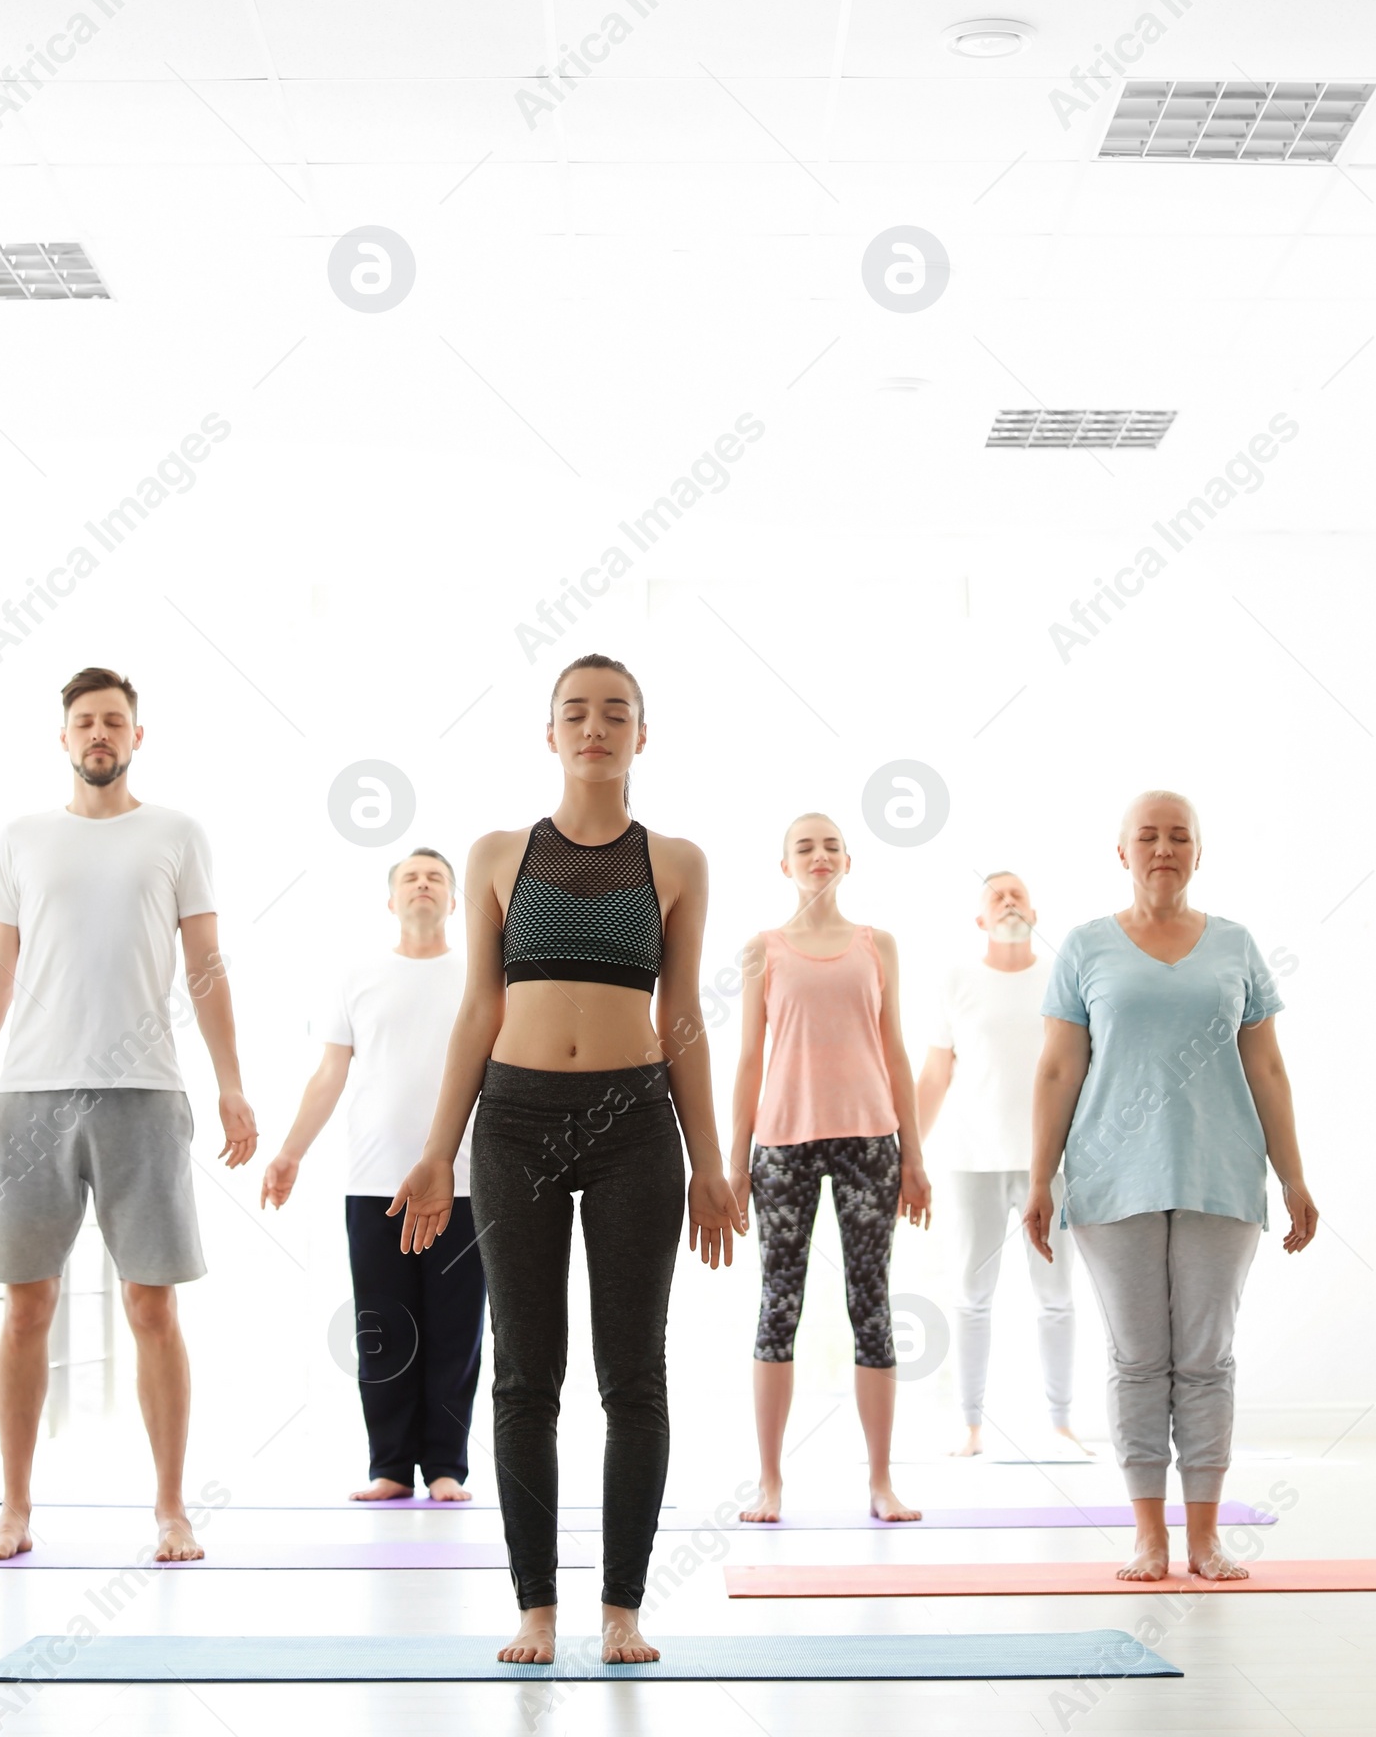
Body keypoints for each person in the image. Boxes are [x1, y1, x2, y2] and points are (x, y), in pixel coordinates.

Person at [390, 653, 742, 1666]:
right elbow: (476, 1010)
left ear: (642, 734)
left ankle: (623, 1607)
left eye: (615, 713)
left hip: (635, 1123)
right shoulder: (499, 854)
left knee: (632, 1375)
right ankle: (536, 1606)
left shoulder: (675, 862)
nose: (595, 727)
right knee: (524, 1375)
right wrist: (434, 1151)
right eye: (576, 713)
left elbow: (681, 1017)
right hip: (515, 1121)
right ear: (549, 735)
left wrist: (711, 1159)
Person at [0, 667, 256, 1563]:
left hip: (146, 1092)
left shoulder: (177, 834)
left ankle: (172, 1509)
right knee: (27, 1308)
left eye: (113, 722)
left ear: (138, 736)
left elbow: (207, 964)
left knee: (152, 1306)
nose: (98, 734)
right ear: (62, 739)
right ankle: (16, 1509)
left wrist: (230, 1080)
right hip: (29, 1094)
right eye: (83, 723)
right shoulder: (21, 839)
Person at [1023, 790, 1317, 1581]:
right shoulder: (1085, 947)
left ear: (1198, 852)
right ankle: (1150, 1536)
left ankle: (1205, 1538)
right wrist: (1039, 1177)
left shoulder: (1236, 946)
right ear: (1122, 853)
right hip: (1110, 1176)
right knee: (1138, 1359)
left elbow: (1267, 1065)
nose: (1163, 847)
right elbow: (1057, 1068)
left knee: (1207, 1358)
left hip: (1220, 1172)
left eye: (1178, 836)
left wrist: (1294, 1177)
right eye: (1146, 836)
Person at [260, 847, 484, 1506]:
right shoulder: (357, 975)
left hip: (465, 1181)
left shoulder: (479, 978)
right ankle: (389, 1465)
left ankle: (446, 1466)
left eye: (436, 878)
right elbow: (329, 1074)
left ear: (453, 901)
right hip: (373, 1180)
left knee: (456, 1327)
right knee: (383, 1324)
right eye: (410, 877)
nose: (423, 884)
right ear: (392, 900)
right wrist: (291, 1151)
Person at [730, 812, 931, 1525]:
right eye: (803, 846)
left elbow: (897, 1050)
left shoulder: (879, 946)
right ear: (784, 864)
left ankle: (881, 1481)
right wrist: (733, 1163)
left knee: (870, 1305)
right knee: (777, 1306)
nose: (818, 855)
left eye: (830, 845)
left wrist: (914, 1154)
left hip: (870, 1140)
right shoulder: (763, 950)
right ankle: (769, 1481)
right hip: (783, 1143)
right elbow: (750, 1059)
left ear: (850, 861)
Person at [915, 869, 1088, 1458]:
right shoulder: (957, 980)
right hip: (971, 1160)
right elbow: (936, 1074)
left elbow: (1083, 1066)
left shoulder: (1062, 977)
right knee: (971, 1294)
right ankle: (970, 1426)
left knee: (1057, 1293)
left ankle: (1061, 1424)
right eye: (997, 896)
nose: (1009, 900)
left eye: (1019, 894)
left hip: (1053, 1161)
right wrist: (908, 1152)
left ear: (1034, 915)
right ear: (981, 920)